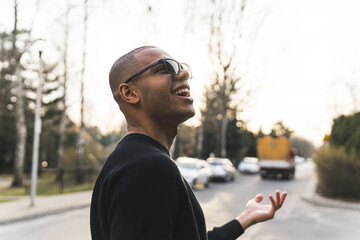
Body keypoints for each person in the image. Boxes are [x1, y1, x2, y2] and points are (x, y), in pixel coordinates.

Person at [90, 46, 287, 240]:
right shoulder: (148, 168)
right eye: (165, 68)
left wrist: (244, 219)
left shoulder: (133, 160)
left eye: (182, 67)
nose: (183, 73)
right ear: (130, 93)